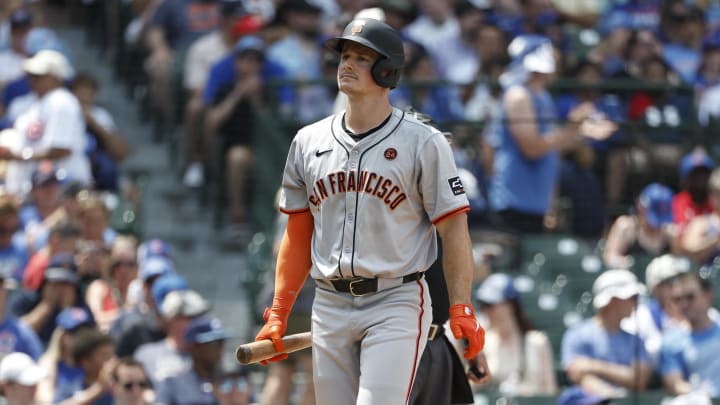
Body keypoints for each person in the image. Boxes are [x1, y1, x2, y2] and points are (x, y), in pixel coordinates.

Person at [254, 18, 485, 405]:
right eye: (345, 55)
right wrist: (279, 311)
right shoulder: (307, 141)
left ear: (387, 70)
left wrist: (461, 305)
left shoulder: (423, 142)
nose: (347, 64)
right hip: (329, 301)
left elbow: (454, 229)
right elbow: (297, 232)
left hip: (395, 298)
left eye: (362, 58)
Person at [400, 109, 490, 405]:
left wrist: (471, 344)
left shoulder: (442, 206)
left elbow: (449, 280)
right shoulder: (387, 207)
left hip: (435, 341)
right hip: (394, 344)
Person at [488, 35, 615, 233]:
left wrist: (578, 130)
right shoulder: (518, 96)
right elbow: (532, 148)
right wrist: (575, 131)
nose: (556, 59)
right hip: (514, 202)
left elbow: (551, 151)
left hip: (536, 203)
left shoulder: (544, 97)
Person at [2, 49, 91, 196]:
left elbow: (61, 149)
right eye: (31, 76)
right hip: (36, 192)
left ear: (55, 77)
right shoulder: (39, 103)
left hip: (59, 191)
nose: (32, 80)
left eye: (39, 76)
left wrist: (16, 155)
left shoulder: (61, 101)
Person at [561, 269, 652, 398]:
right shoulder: (577, 335)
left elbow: (639, 379)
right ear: (613, 300)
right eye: (632, 297)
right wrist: (608, 396)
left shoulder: (636, 340)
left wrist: (593, 366)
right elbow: (577, 373)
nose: (635, 303)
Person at [472, 273, 557, 396]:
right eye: (484, 306)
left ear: (510, 305)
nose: (487, 311)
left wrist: (525, 392)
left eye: (491, 305)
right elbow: (471, 390)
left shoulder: (537, 342)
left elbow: (550, 391)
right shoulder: (483, 343)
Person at [659, 271, 720, 397]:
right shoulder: (671, 341)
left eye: (690, 297)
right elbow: (676, 383)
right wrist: (702, 396)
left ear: (707, 295)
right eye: (677, 300)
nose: (684, 304)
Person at [603, 183, 680, 269]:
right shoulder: (626, 226)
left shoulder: (670, 232)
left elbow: (679, 261)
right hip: (630, 279)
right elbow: (609, 258)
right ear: (641, 207)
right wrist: (627, 263)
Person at [155, 315, 228, 405]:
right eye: (214, 343)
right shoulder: (173, 384)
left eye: (222, 342)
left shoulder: (234, 382)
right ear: (193, 347)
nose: (220, 349)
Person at [55, 328, 116, 405]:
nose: (111, 361)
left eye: (112, 355)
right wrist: (98, 390)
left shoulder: (126, 385)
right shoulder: (70, 389)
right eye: (104, 356)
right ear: (85, 361)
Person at [682, 168, 720, 264]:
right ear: (711, 195)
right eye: (718, 193)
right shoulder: (701, 222)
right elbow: (689, 248)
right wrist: (714, 240)